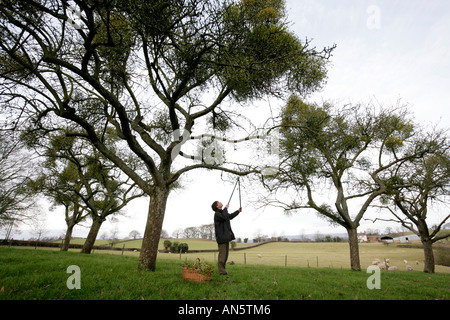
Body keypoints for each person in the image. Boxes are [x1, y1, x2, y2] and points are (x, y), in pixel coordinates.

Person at [211, 201, 242, 275]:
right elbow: (224, 217)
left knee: (225, 255)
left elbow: (229, 216)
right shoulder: (217, 214)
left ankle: (223, 271)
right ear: (217, 206)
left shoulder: (222, 212)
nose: (221, 202)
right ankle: (221, 272)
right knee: (222, 255)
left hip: (226, 238)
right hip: (222, 238)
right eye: (219, 202)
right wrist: (225, 208)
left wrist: (238, 211)